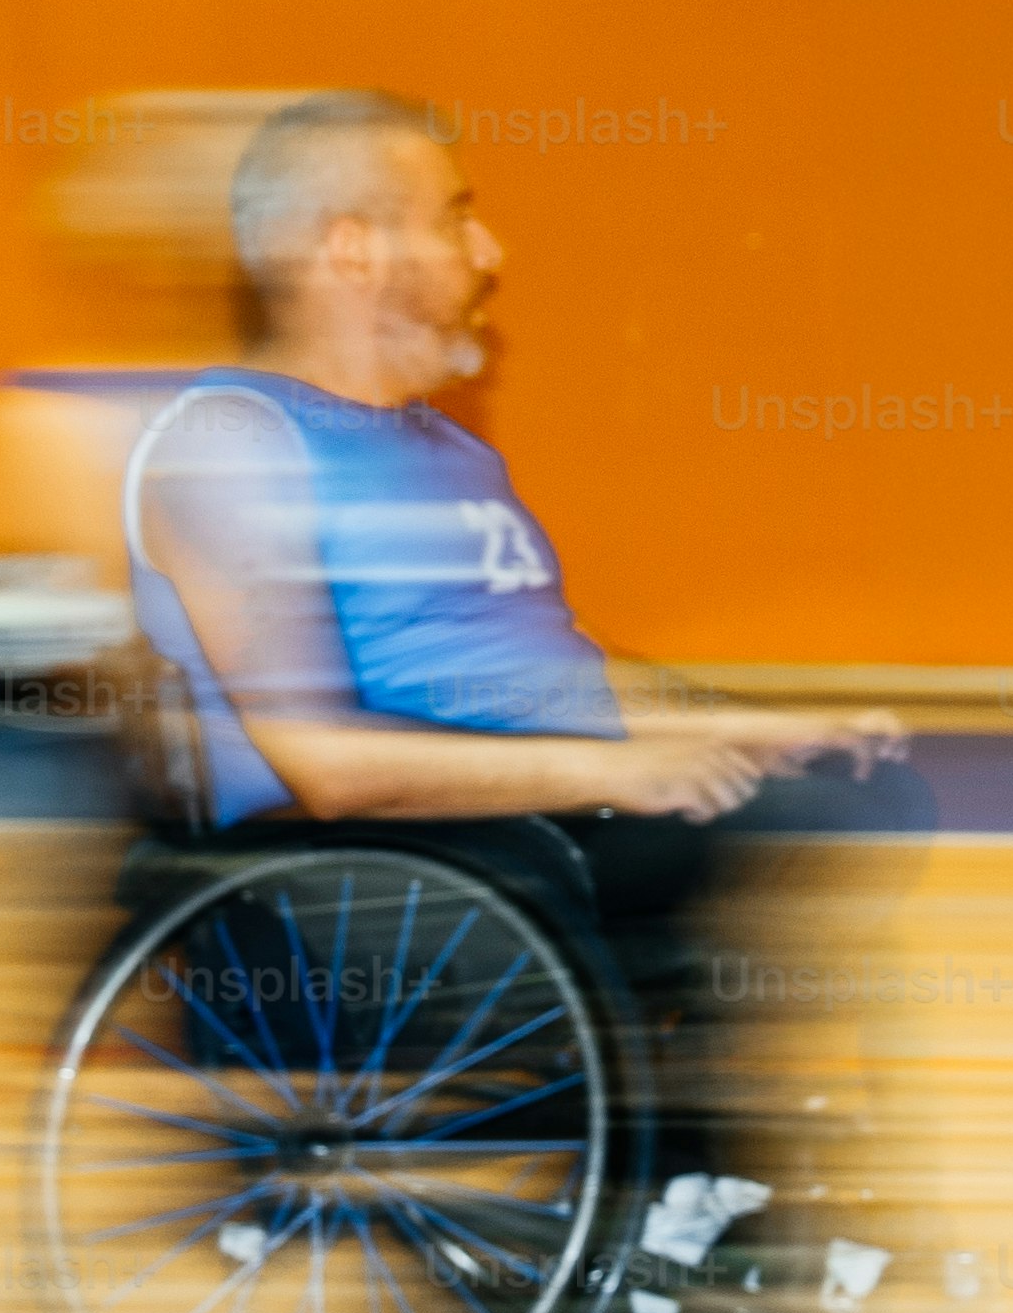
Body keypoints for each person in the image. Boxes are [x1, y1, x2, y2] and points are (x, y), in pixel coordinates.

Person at [120, 90, 929, 1075]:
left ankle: (713, 1185)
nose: (490, 251)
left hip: (516, 826)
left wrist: (739, 727)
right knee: (758, 834)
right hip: (376, 881)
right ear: (352, 250)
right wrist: (609, 773)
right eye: (456, 217)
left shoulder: (444, 450)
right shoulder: (233, 444)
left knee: (842, 795)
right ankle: (685, 1178)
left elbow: (545, 675)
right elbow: (319, 764)